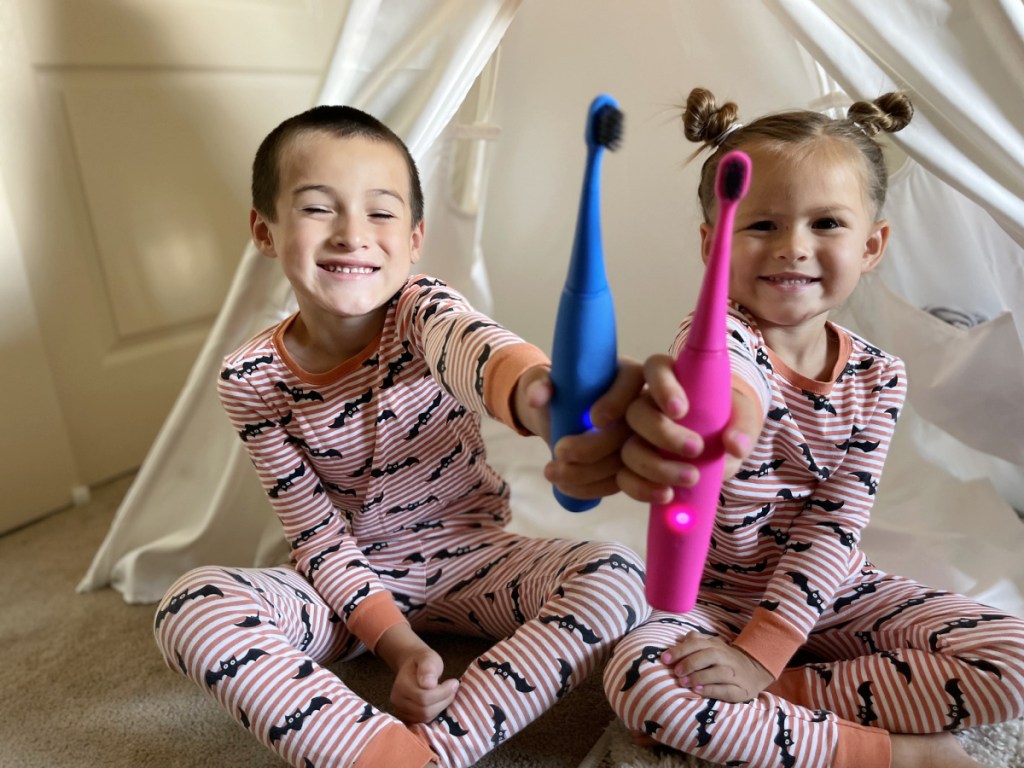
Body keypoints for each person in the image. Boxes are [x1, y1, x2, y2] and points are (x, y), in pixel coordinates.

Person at [152, 104, 650, 768]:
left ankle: (434, 750)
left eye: (380, 213)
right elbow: (318, 539)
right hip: (345, 588)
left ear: (415, 239)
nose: (353, 234)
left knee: (620, 577)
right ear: (264, 231)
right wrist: (398, 645)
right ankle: (380, 753)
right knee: (192, 604)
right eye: (318, 209)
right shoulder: (251, 379)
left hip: (474, 560)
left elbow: (473, 348)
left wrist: (537, 396)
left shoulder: (423, 308)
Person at [603, 87, 1024, 768]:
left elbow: (833, 525)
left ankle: (776, 704)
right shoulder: (715, 339)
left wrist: (763, 663)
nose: (793, 248)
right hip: (705, 599)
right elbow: (727, 383)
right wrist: (730, 408)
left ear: (872, 245)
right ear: (714, 245)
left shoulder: (880, 375)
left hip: (829, 587)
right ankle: (896, 753)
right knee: (642, 687)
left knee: (1015, 661)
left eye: (826, 224)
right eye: (763, 225)